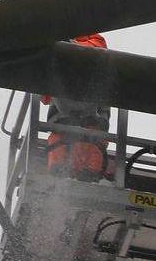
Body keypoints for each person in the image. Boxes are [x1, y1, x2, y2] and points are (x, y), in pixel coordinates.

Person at [42, 33, 112, 181]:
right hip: (63, 122)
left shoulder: (95, 40)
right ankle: (58, 174)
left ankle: (88, 174)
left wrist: (67, 45)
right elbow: (45, 97)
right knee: (59, 142)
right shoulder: (56, 57)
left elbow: (96, 50)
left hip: (93, 118)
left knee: (91, 141)